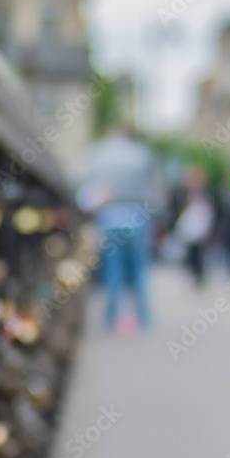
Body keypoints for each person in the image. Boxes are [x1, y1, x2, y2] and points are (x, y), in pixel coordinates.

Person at [78, 125, 157, 333]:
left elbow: (85, 185)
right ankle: (144, 318)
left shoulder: (97, 154)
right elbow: (151, 189)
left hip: (110, 217)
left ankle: (110, 318)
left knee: (113, 269)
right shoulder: (140, 154)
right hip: (136, 216)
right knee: (139, 270)